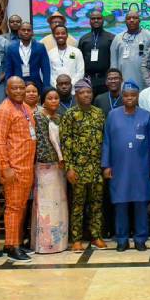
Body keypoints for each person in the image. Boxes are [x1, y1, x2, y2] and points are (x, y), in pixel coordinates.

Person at [101, 80, 150, 251]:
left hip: (141, 168)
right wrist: (106, 165)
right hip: (119, 169)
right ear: (122, 96)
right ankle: (122, 239)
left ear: (137, 96)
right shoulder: (112, 115)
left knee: (141, 203)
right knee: (120, 204)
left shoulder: (146, 116)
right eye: (126, 95)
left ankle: (141, 239)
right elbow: (107, 142)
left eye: (133, 96)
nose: (129, 98)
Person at [0, 77, 37, 261]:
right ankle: (12, 248)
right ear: (7, 90)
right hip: (13, 168)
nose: (19, 91)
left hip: (27, 166)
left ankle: (13, 243)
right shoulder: (4, 111)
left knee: (20, 208)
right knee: (13, 208)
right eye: (15, 88)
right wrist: (5, 167)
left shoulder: (25, 107)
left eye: (22, 88)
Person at [60, 79, 106, 251]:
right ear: (76, 94)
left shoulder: (99, 113)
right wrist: (69, 168)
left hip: (96, 167)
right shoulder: (70, 115)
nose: (86, 95)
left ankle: (96, 236)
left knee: (96, 204)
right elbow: (65, 142)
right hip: (78, 169)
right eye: (82, 92)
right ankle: (77, 238)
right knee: (78, 205)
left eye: (89, 92)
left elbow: (104, 140)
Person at [31, 87, 68, 254]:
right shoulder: (38, 117)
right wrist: (51, 159)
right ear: (43, 101)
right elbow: (42, 143)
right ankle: (43, 244)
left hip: (59, 167)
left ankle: (59, 243)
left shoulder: (59, 118)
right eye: (50, 98)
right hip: (44, 166)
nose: (54, 101)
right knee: (44, 207)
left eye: (56, 98)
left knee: (58, 205)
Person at [109, 10, 150, 89]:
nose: (131, 20)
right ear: (125, 21)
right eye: (129, 18)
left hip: (144, 81)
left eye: (134, 18)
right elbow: (113, 64)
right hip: (123, 82)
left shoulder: (149, 36)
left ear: (139, 20)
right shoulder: (118, 38)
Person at [4, 21, 50, 90]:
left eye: (28, 30)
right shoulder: (11, 48)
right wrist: (8, 87)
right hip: (17, 86)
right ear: (19, 32)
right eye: (23, 30)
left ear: (32, 33)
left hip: (36, 85)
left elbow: (46, 69)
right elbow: (8, 70)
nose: (26, 32)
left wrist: (46, 87)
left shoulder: (40, 47)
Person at [78, 9, 115, 95]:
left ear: (103, 20)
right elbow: (80, 61)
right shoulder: (83, 39)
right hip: (88, 80)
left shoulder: (111, 38)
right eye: (93, 18)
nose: (96, 20)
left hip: (106, 80)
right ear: (89, 21)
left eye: (99, 18)